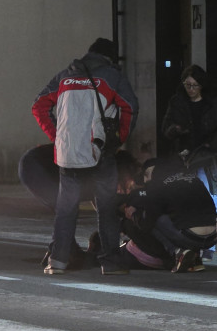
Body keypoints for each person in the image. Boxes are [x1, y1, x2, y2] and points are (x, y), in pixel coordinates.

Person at [32, 38, 139, 275]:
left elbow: (38, 106)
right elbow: (130, 107)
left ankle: (57, 261)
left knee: (66, 209)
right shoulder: (112, 76)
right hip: (100, 152)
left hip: (68, 153)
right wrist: (118, 139)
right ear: (110, 57)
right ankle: (110, 263)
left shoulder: (64, 77)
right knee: (106, 207)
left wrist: (58, 137)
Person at [117, 155, 217, 273]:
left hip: (191, 237)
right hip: (213, 237)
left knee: (156, 218)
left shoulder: (156, 185)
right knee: (182, 216)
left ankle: (177, 252)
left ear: (149, 173)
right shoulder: (192, 178)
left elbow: (147, 223)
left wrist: (134, 215)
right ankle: (194, 258)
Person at [161, 64, 217, 204]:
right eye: (187, 85)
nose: (191, 89)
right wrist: (176, 129)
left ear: (201, 85)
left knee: (209, 196)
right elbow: (166, 128)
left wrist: (213, 142)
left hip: (210, 157)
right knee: (186, 198)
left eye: (195, 85)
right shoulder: (177, 102)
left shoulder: (215, 102)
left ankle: (210, 222)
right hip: (185, 157)